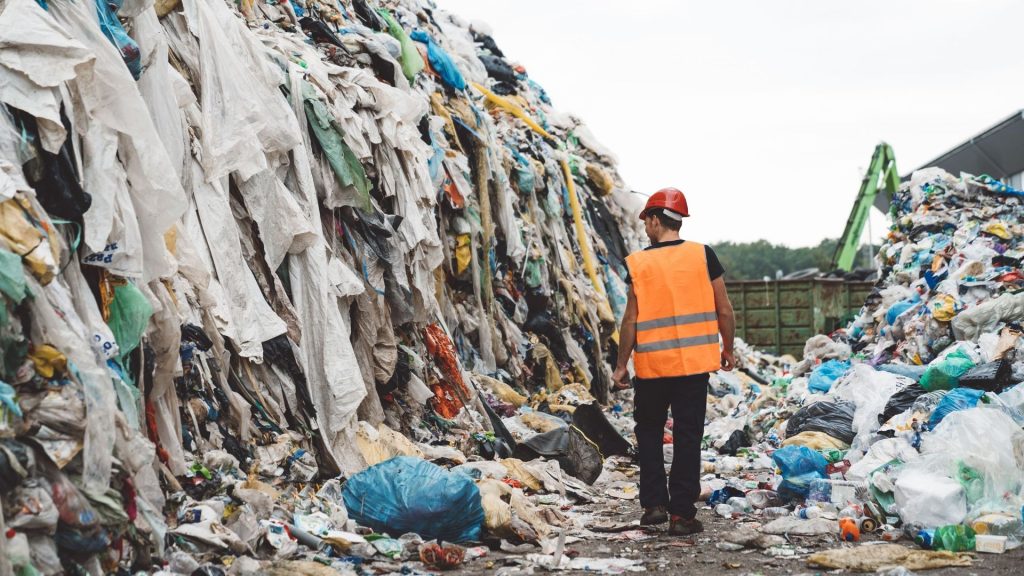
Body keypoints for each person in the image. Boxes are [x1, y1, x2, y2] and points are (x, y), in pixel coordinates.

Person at [612, 187, 736, 536]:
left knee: (649, 433)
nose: (645, 228)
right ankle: (681, 515)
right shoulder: (703, 255)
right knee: (687, 436)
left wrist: (621, 365)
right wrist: (728, 349)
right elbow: (724, 309)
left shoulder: (638, 264)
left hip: (652, 368)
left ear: (655, 220)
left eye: (646, 221)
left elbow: (630, 320)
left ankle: (653, 505)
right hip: (693, 368)